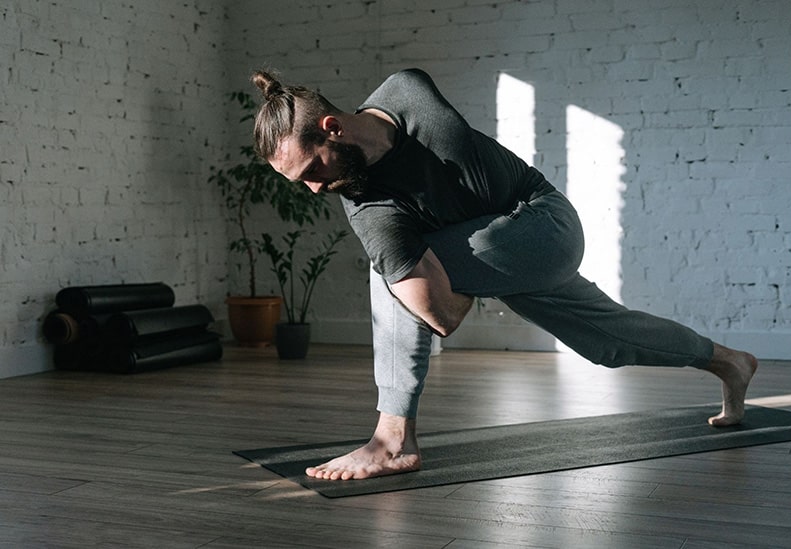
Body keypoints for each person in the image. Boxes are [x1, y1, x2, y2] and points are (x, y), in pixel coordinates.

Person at [249, 67, 758, 481]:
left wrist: (430, 271)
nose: (315, 189)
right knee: (608, 340)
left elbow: (442, 301)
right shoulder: (365, 206)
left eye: (311, 170)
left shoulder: (406, 92)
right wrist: (429, 277)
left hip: (542, 224)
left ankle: (392, 440)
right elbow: (443, 318)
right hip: (497, 254)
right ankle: (729, 362)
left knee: (389, 276)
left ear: (332, 129)